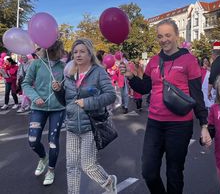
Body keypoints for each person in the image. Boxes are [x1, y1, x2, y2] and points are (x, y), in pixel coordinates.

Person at [120, 18, 210, 194]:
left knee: (174, 172)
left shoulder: (189, 60)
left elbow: (197, 94)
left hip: (180, 125)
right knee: (149, 172)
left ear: (176, 35)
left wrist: (204, 125)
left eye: (168, 35)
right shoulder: (153, 61)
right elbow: (145, 88)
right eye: (160, 36)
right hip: (155, 123)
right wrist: (130, 76)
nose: (164, 39)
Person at [52, 38, 117, 194]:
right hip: (72, 126)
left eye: (82, 51)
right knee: (71, 166)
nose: (78, 55)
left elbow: (110, 95)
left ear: (90, 53)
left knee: (88, 165)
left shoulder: (98, 72)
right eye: (75, 52)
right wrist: (58, 91)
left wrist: (87, 102)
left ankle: (108, 181)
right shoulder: (69, 74)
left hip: (91, 125)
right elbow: (65, 102)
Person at [22, 40, 66, 186]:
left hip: (58, 109)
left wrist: (60, 88)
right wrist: (35, 97)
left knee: (53, 142)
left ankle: (51, 170)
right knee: (33, 141)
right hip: (38, 108)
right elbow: (26, 83)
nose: (60, 52)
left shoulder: (64, 67)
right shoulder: (36, 64)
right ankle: (43, 158)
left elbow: (69, 89)